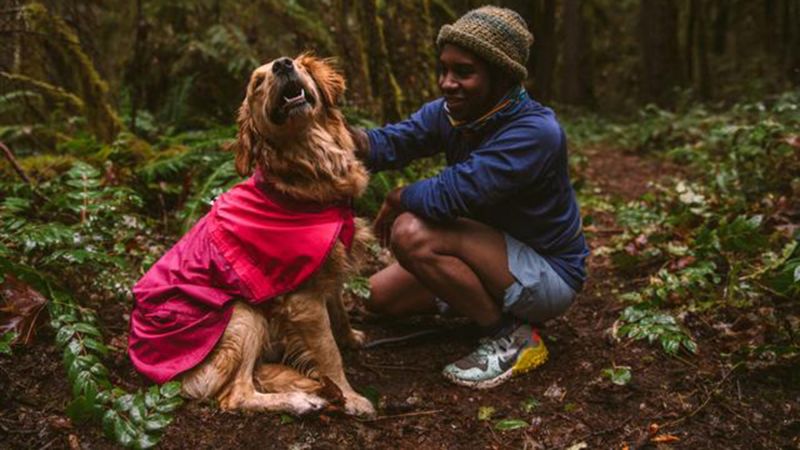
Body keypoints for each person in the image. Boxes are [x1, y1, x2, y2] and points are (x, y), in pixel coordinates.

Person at [351, 6, 589, 389]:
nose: (447, 83)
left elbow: (452, 194)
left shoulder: (535, 132)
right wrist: (330, 134)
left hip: (548, 274)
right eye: (443, 69)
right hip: (489, 253)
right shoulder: (453, 114)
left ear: (502, 76)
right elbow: (391, 143)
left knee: (411, 232)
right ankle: (480, 301)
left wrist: (398, 197)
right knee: (378, 298)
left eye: (463, 72)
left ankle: (511, 335)